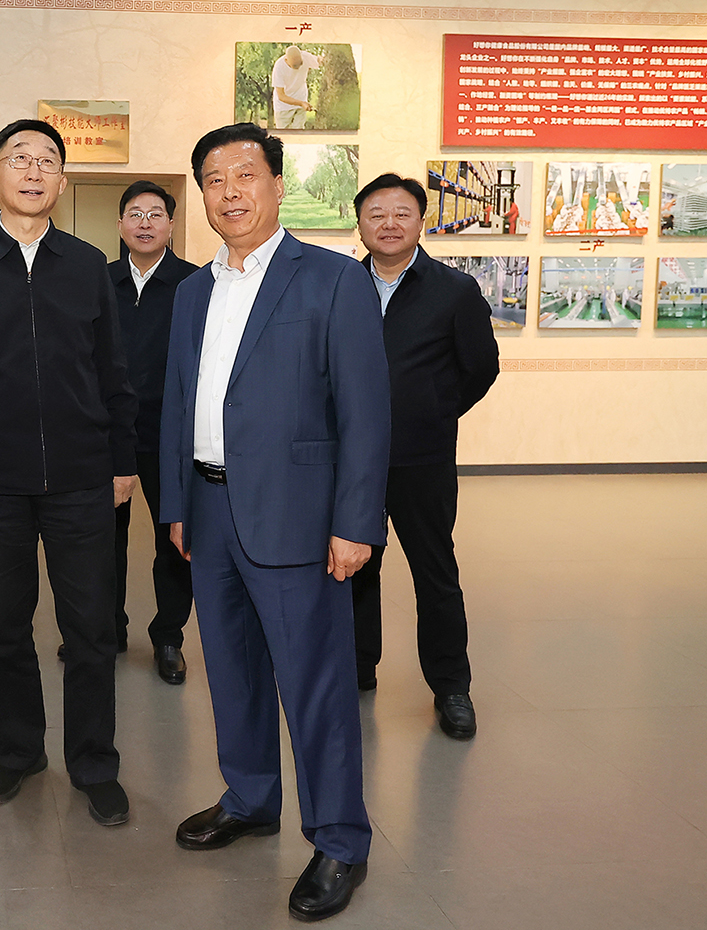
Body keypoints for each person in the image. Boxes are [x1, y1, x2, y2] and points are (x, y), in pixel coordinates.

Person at [161, 122, 389, 923]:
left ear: (278, 184)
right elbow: (177, 403)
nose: (230, 192)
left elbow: (366, 414)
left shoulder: (331, 279)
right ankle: (251, 797)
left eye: (245, 175)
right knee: (232, 671)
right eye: (213, 179)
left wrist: (356, 523)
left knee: (315, 685)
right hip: (210, 509)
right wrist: (177, 506)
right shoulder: (192, 291)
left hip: (298, 517)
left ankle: (340, 839)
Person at [0, 118, 138, 828]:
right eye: (19, 158)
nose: (34, 170)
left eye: (48, 160)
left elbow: (114, 373)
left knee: (91, 630)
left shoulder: (88, 266)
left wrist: (123, 461)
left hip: (81, 476)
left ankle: (94, 763)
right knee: (5, 627)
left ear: (62, 182)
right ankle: (17, 752)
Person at [351, 173, 499, 741]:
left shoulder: (453, 290)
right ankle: (357, 667)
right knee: (352, 567)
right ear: (360, 223)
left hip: (422, 459)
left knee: (435, 573)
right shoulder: (341, 285)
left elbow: (480, 367)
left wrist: (434, 411)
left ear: (421, 221)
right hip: (351, 461)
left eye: (402, 213)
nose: (388, 224)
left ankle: (452, 687)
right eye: (376, 214)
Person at [108, 180, 199, 685]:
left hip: (173, 435)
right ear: (121, 224)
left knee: (174, 541)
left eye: (156, 214)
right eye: (135, 214)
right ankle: (107, 629)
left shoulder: (195, 283)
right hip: (108, 434)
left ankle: (168, 637)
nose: (145, 223)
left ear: (171, 224)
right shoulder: (99, 282)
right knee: (103, 540)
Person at [270, 45, 316, 130]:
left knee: (299, 132)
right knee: (283, 134)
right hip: (283, 106)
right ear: (286, 60)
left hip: (301, 98)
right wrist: (301, 103)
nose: (298, 68)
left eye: (300, 64)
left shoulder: (306, 57)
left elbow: (321, 60)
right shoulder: (279, 67)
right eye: (295, 66)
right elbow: (281, 96)